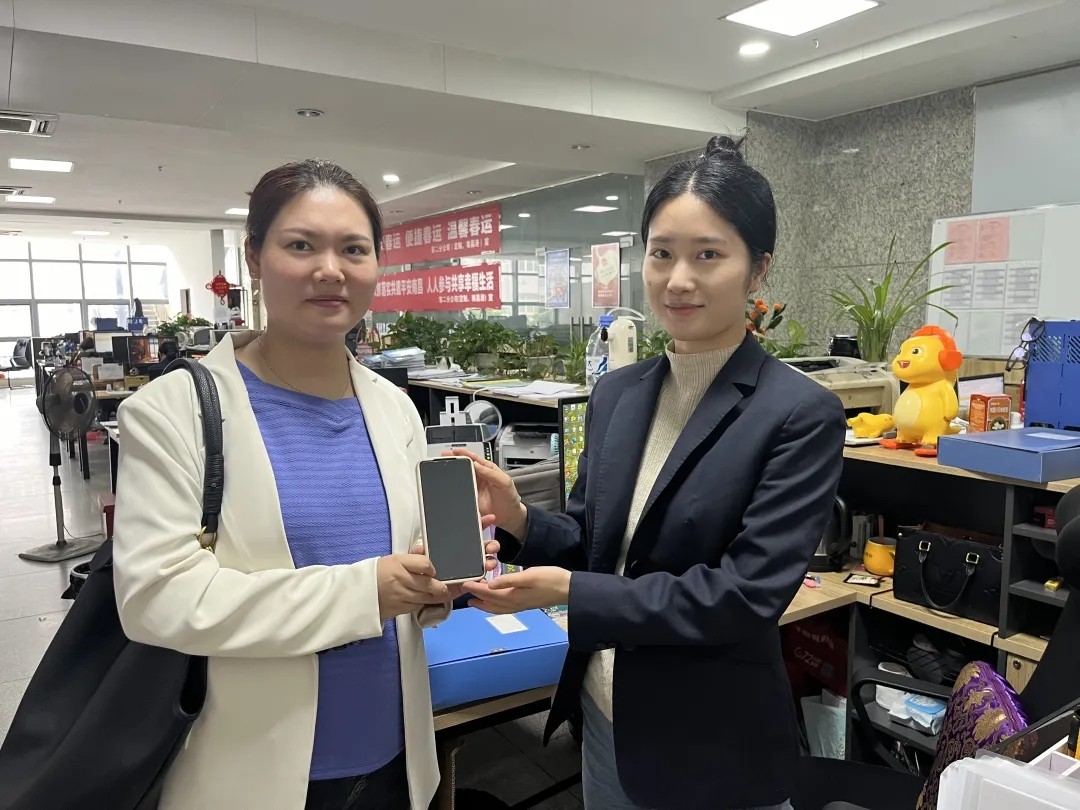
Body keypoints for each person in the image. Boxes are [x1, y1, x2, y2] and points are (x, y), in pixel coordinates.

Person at [453, 135, 847, 810]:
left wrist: (576, 593)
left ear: (758, 269)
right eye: (661, 253)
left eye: (708, 255)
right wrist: (517, 516)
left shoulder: (799, 413)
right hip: (606, 719)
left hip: (711, 746)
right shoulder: (618, 393)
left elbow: (744, 596)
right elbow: (593, 540)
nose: (678, 279)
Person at [112, 159, 498, 810]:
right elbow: (157, 597)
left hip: (396, 764)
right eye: (300, 245)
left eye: (353, 249)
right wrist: (365, 591)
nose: (330, 270)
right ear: (254, 258)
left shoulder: (394, 408)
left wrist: (435, 585)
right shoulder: (172, 412)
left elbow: (402, 575)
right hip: (253, 776)